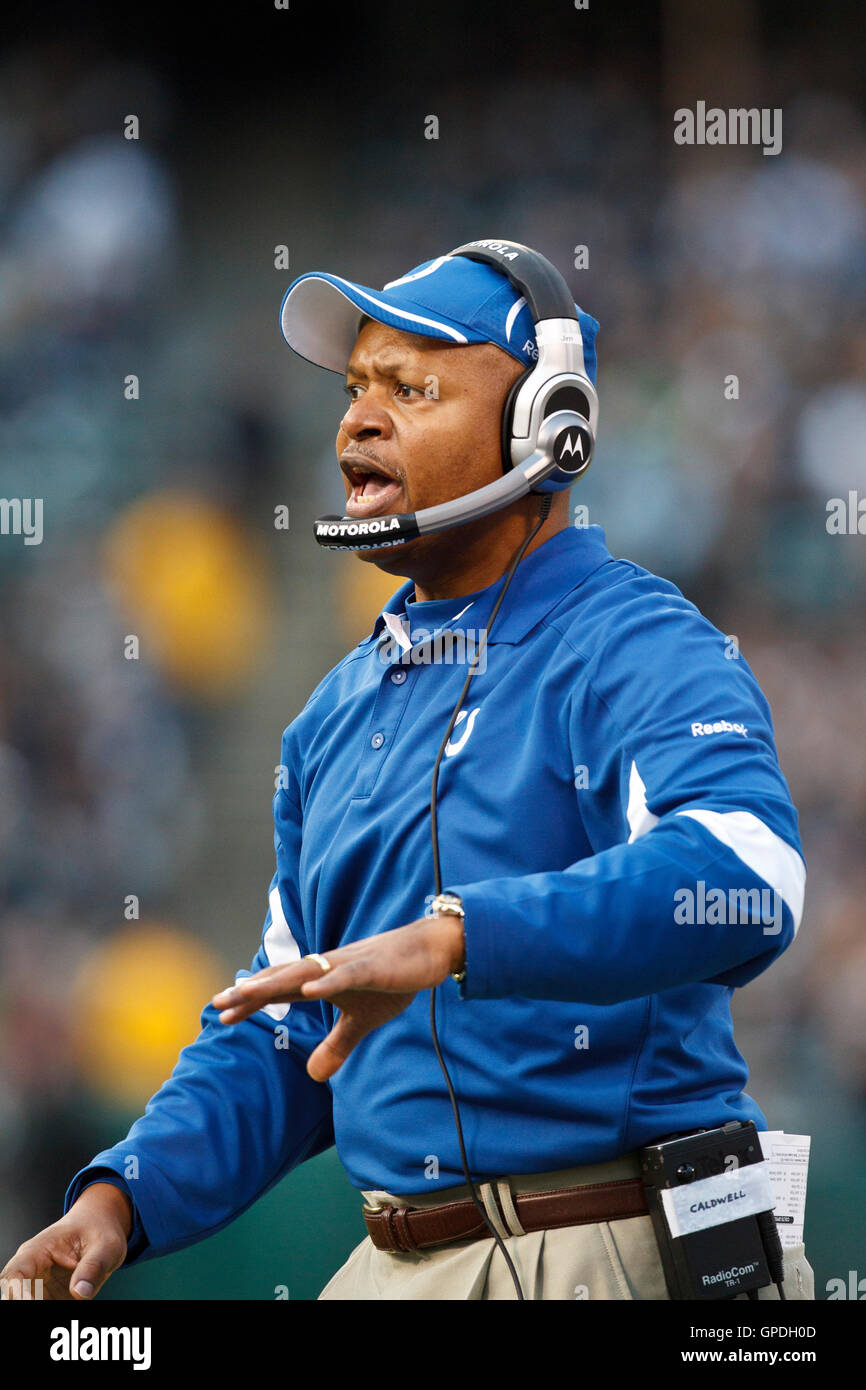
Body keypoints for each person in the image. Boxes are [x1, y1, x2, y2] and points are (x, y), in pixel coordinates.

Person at [0, 243, 814, 1301]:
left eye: (410, 387)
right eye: (352, 390)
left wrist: (461, 936)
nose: (356, 420)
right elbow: (293, 1026)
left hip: (614, 1240)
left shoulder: (636, 640)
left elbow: (748, 876)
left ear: (545, 424)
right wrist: (122, 1197)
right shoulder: (327, 720)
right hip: (395, 1263)